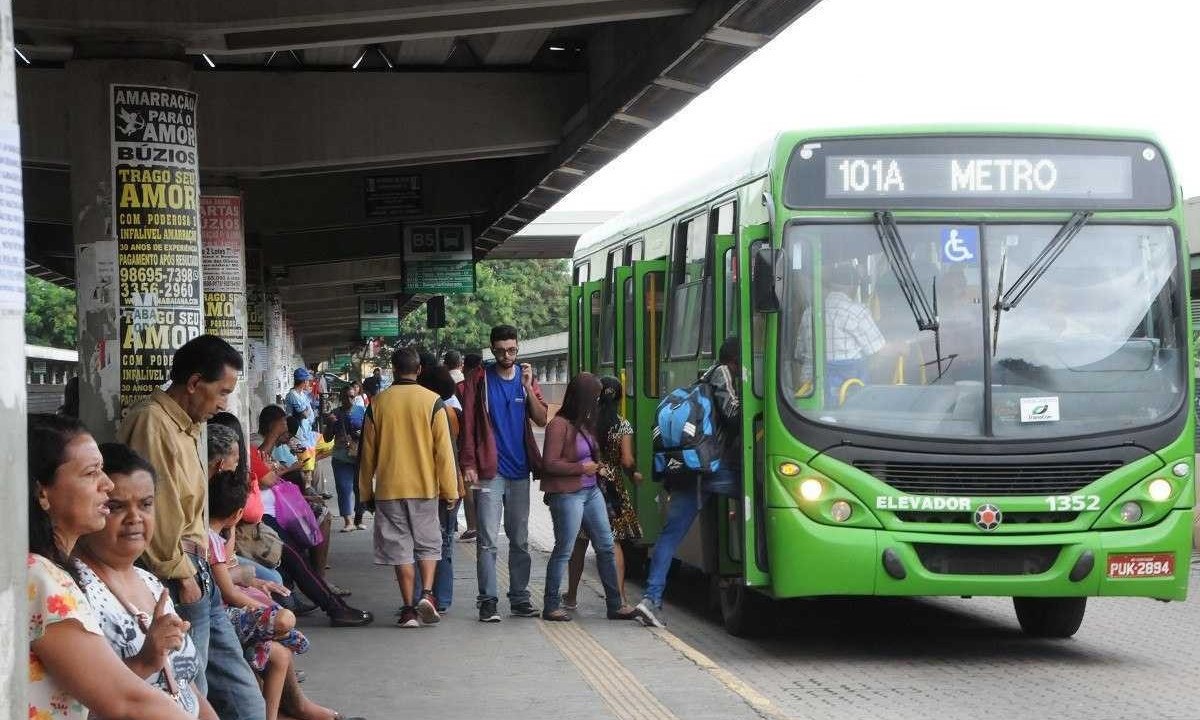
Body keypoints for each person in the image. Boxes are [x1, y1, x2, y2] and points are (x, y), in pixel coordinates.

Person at [116, 334, 266, 720]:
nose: (224, 404)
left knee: (240, 688)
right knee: (189, 686)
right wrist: (182, 576)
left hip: (201, 572)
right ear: (195, 383)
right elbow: (158, 511)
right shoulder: (152, 422)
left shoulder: (191, 425)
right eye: (221, 392)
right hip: (179, 574)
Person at [26, 415, 195, 720]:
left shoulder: (49, 572)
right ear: (42, 493)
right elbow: (125, 700)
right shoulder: (39, 576)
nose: (106, 484)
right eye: (92, 473)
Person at [74, 443, 219, 720]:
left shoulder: (150, 582)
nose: (135, 518)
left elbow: (184, 683)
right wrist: (144, 661)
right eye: (116, 507)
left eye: (146, 504)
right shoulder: (75, 590)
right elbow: (77, 705)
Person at [634, 337, 743, 628]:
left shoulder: (702, 378)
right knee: (760, 495)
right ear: (734, 360)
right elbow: (733, 415)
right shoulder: (722, 374)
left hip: (688, 468)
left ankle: (650, 599)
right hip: (710, 469)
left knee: (670, 536)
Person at [358, 348, 459, 628]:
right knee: (428, 544)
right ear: (418, 370)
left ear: (393, 368)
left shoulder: (378, 404)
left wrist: (365, 492)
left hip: (389, 489)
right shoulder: (433, 402)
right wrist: (450, 490)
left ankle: (408, 610)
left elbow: (367, 455)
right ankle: (427, 594)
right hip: (425, 488)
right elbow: (444, 453)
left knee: (400, 550)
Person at [460, 324, 549, 622]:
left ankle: (520, 598)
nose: (506, 355)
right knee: (487, 540)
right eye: (500, 351)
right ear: (492, 349)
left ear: (518, 347)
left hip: (519, 472)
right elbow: (469, 425)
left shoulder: (526, 379)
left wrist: (527, 386)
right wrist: (468, 464)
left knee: (520, 539)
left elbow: (541, 419)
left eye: (511, 350)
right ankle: (487, 600)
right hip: (489, 471)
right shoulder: (479, 380)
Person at [255, 405, 371, 626]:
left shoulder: (262, 451)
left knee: (304, 547)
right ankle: (334, 606)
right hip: (263, 520)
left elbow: (297, 459)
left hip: (273, 513)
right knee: (298, 559)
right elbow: (268, 479)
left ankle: (329, 598)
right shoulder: (254, 448)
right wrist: (273, 437)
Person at [208, 470, 310, 720]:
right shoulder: (209, 541)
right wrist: (265, 610)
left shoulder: (218, 537)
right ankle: (283, 629)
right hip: (223, 615)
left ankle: (270, 716)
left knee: (281, 654)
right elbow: (229, 592)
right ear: (237, 514)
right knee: (284, 620)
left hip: (231, 612)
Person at [539, 373, 638, 622]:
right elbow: (549, 464)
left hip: (592, 490)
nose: (598, 401)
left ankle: (615, 604)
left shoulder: (585, 424)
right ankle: (551, 605)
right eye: (594, 397)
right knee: (565, 548)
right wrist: (581, 469)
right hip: (567, 494)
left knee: (605, 544)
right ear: (582, 398)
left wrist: (597, 467)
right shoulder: (558, 425)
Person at [564, 375, 644, 610]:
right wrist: (633, 473)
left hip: (586, 482)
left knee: (579, 543)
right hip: (612, 489)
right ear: (619, 398)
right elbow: (627, 460)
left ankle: (570, 597)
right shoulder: (623, 425)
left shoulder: (586, 423)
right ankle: (620, 598)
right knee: (613, 543)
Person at [796, 264, 886, 403]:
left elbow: (799, 354)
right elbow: (877, 350)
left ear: (831, 285)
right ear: (854, 286)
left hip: (809, 390)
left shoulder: (809, 312)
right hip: (849, 392)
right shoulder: (857, 312)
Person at [416, 364, 466, 611]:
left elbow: (447, 455)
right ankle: (442, 598)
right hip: (447, 486)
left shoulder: (437, 412)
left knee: (424, 543)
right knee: (443, 542)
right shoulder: (449, 411)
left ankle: (424, 596)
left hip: (433, 486)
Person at [455, 353, 483, 543]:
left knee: (470, 486)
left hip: (466, 443)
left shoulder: (461, 387)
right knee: (484, 487)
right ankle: (482, 526)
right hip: (486, 445)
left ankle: (473, 527)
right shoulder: (488, 382)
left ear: (465, 366)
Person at [329, 387, 365, 532]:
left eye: (352, 397)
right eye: (346, 397)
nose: (349, 400)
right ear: (341, 398)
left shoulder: (361, 411)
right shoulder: (335, 413)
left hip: (359, 457)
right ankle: (347, 521)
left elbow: (370, 432)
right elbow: (326, 438)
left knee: (360, 489)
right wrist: (330, 424)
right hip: (341, 457)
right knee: (344, 489)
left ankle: (359, 518)